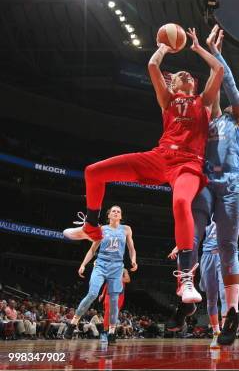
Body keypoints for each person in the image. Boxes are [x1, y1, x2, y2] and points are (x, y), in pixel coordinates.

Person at [62, 27, 224, 305]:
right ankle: (91, 227)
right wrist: (165, 46)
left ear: (195, 85)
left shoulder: (203, 102)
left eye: (189, 75)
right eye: (179, 75)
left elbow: (218, 70)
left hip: (188, 165)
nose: (185, 74)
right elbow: (152, 65)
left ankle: (185, 277)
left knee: (181, 203)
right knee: (93, 171)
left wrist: (197, 47)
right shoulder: (167, 101)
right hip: (159, 157)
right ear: (172, 84)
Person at [188, 24, 239, 345]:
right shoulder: (213, 117)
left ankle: (232, 313)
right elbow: (215, 85)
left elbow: (228, 83)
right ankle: (184, 286)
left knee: (228, 247)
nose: (226, 102)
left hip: (231, 184)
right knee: (193, 230)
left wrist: (216, 53)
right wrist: (207, 53)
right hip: (207, 180)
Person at [167, 216, 239, 348]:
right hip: (207, 256)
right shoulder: (209, 207)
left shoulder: (234, 205)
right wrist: (179, 245)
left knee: (225, 296)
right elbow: (195, 230)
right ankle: (216, 333)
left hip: (227, 255)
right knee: (211, 298)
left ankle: (225, 332)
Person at [65, 206, 137, 344]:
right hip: (101, 264)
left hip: (117, 267)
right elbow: (92, 249)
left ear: (121, 216)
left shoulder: (126, 229)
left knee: (114, 301)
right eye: (113, 211)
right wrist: (83, 264)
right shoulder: (102, 229)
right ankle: (73, 324)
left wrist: (133, 260)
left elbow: (131, 248)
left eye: (119, 211)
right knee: (92, 293)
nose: (116, 212)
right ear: (109, 215)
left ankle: (111, 332)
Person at [98, 268, 131, 343]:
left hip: (119, 294)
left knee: (114, 314)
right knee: (107, 312)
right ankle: (104, 333)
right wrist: (102, 294)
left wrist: (121, 275)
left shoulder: (124, 270)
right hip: (109, 293)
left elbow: (127, 280)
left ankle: (111, 333)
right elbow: (107, 283)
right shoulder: (111, 268)